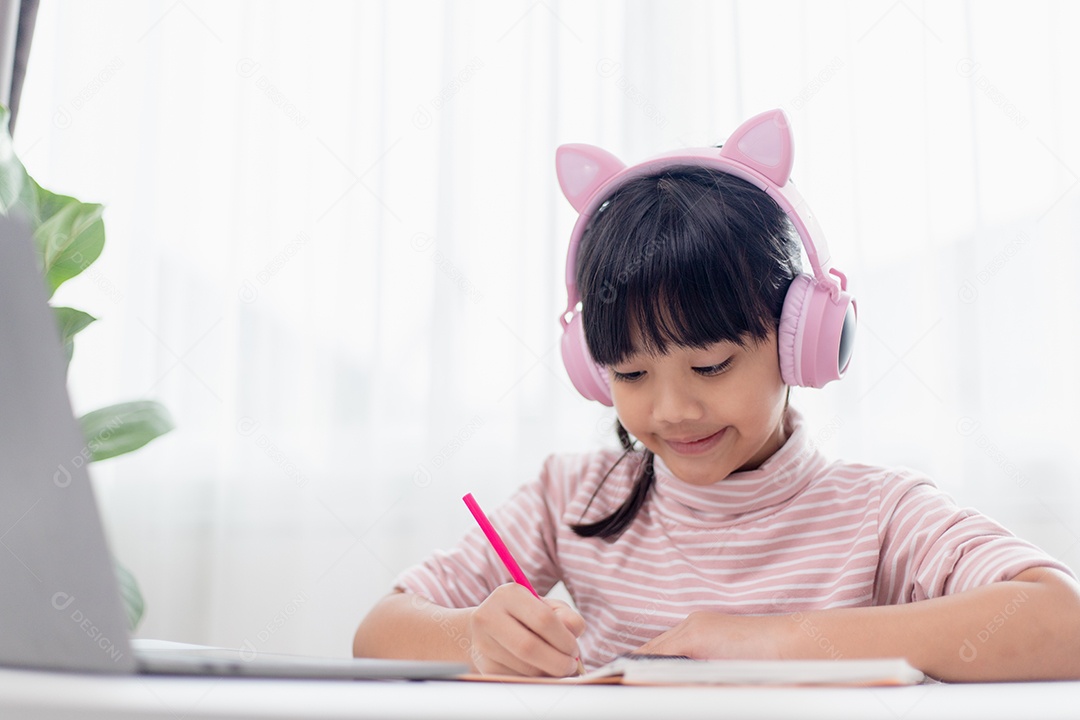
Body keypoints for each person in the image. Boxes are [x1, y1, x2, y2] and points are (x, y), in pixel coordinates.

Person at [353, 109, 1080, 682]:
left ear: (802, 340)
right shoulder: (568, 499)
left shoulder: (878, 515)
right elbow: (379, 633)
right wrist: (475, 637)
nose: (671, 410)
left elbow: (1063, 624)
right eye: (630, 375)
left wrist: (768, 641)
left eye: (710, 366)